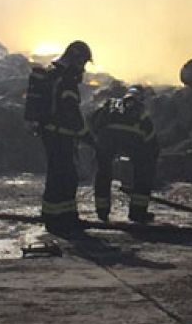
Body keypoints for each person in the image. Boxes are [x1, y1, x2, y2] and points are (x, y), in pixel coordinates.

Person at [33, 40, 92, 232]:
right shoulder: (67, 79)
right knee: (64, 177)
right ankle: (60, 219)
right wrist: (87, 136)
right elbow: (71, 111)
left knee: (61, 175)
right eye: (83, 62)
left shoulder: (54, 73)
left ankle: (60, 216)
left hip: (52, 133)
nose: (83, 68)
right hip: (60, 135)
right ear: (76, 59)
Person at [89, 86, 159, 224]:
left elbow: (94, 120)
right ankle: (138, 212)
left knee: (103, 172)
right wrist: (152, 156)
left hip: (107, 138)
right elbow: (150, 136)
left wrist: (97, 140)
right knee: (143, 172)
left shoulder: (111, 103)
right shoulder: (140, 109)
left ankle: (102, 211)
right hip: (131, 140)